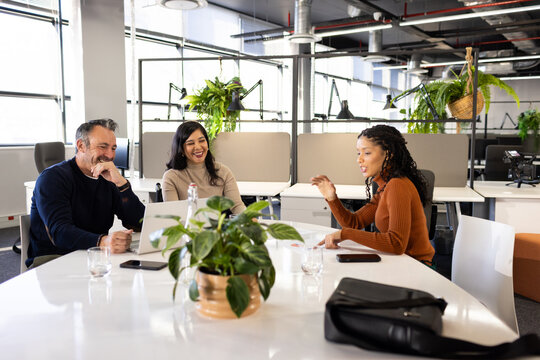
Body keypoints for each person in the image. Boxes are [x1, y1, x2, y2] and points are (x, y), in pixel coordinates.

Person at [27, 119, 145, 268]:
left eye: (114, 148)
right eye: (103, 147)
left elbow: (139, 222)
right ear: (81, 146)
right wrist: (103, 241)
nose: (110, 155)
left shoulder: (108, 178)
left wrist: (121, 184)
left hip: (95, 258)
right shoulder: (52, 178)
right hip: (53, 260)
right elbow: (60, 232)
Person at [311, 125, 434, 263]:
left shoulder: (397, 185)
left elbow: (396, 243)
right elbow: (354, 223)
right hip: (401, 263)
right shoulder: (385, 186)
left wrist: (345, 234)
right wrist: (331, 198)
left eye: (367, 153)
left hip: (417, 267)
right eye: (358, 153)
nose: (359, 159)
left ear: (388, 154)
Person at [162, 121, 246, 214]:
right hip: (187, 227)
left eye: (202, 141)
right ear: (181, 149)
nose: (198, 147)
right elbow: (174, 216)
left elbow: (237, 205)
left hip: (216, 227)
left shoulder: (223, 172)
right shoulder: (171, 177)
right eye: (190, 143)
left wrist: (249, 218)